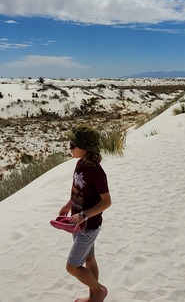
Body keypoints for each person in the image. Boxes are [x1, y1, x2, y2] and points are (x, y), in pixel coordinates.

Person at [59, 125, 111, 302]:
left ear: (85, 148)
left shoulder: (96, 172)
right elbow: (78, 189)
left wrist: (84, 215)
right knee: (90, 260)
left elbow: (107, 202)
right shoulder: (80, 163)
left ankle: (99, 291)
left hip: (88, 226)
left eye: (73, 144)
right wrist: (69, 204)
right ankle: (93, 297)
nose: (70, 147)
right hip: (79, 223)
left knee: (72, 266)